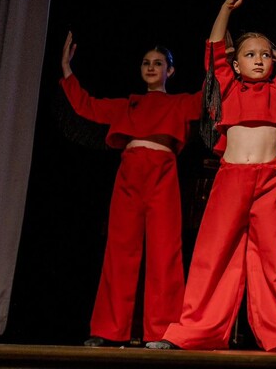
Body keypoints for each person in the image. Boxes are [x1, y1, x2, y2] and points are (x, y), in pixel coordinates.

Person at [150, 0, 276, 352]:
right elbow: (213, 50)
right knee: (213, 254)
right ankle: (194, 331)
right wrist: (225, 9)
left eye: (265, 54)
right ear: (236, 65)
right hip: (231, 179)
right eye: (250, 54)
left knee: (274, 259)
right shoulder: (227, 88)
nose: (259, 59)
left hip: (268, 181)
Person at [59, 34, 202, 346]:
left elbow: (210, 98)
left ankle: (163, 331)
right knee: (119, 252)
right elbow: (86, 105)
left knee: (165, 253)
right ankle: (108, 330)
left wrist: (221, 58)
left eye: (158, 63)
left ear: (170, 71)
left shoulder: (179, 103)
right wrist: (67, 69)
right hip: (130, 175)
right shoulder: (128, 104)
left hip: (162, 176)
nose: (151, 67)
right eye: (146, 63)